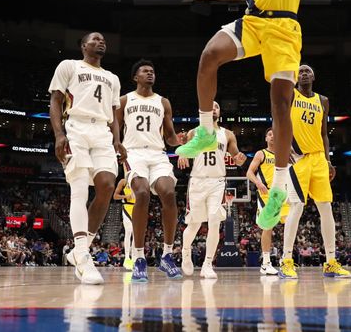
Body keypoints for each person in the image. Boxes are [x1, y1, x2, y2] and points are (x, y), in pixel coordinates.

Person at [176, 0, 303, 231]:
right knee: (208, 56)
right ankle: (204, 130)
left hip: (284, 29)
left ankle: (276, 188)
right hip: (253, 21)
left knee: (280, 105)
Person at [49, 32, 125, 285]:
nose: (101, 41)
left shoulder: (112, 78)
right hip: (76, 128)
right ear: (83, 46)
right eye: (94, 39)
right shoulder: (69, 66)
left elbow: (114, 114)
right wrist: (59, 135)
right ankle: (83, 257)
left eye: (103, 39)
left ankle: (79, 249)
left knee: (106, 186)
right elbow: (56, 101)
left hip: (102, 132)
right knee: (79, 188)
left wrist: (117, 140)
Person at [279, 65, 350, 279]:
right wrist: (284, 147)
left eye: (308, 71)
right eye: (300, 71)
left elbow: (324, 133)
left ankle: (330, 262)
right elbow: (281, 121)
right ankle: (286, 260)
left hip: (319, 157)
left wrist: (328, 160)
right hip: (299, 159)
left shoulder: (323, 101)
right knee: (297, 207)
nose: (304, 73)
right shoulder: (290, 94)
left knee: (326, 207)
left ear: (314, 76)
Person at [115, 59, 182, 283]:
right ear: (136, 77)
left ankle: (167, 254)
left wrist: (183, 141)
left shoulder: (163, 102)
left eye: (152, 71)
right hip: (133, 153)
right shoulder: (124, 100)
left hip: (157, 153)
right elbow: (114, 127)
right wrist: (117, 145)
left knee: (169, 193)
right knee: (142, 193)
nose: (150, 74)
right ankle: (139, 257)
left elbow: (170, 137)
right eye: (145, 71)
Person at [178, 101, 247, 279]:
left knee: (215, 221)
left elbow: (237, 157)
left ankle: (208, 264)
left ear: (219, 112)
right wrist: (183, 155)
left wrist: (240, 158)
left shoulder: (228, 134)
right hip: (197, 182)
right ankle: (186, 252)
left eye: (216, 106)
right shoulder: (194, 132)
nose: (213, 109)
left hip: (217, 182)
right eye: (210, 107)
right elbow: (185, 150)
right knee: (194, 225)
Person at [246, 127, 291, 276]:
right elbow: (249, 172)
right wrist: (258, 183)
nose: (272, 136)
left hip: (283, 195)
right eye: (270, 134)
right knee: (268, 227)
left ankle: (287, 260)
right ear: (266, 138)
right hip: (267, 195)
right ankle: (265, 263)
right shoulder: (261, 153)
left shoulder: (285, 154)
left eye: (275, 134)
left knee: (290, 225)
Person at [113, 170, 135, 270]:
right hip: (127, 207)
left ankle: (134, 257)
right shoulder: (123, 181)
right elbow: (115, 196)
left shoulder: (139, 180)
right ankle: (127, 257)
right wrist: (126, 196)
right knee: (128, 231)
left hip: (137, 208)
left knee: (136, 233)